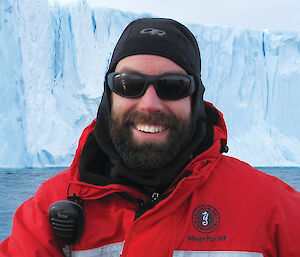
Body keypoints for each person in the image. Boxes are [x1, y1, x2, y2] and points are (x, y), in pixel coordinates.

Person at [0, 18, 299, 257]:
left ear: (196, 100)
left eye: (173, 85)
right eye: (129, 84)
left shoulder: (274, 211)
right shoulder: (46, 213)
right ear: (109, 96)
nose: (150, 104)